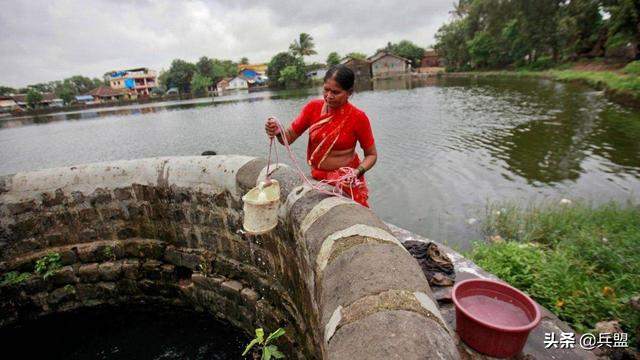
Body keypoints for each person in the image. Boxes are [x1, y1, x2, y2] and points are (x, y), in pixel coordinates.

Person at [264, 65, 377, 207]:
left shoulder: (358, 117)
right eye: (326, 90)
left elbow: (371, 155)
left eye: (335, 92)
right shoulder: (313, 108)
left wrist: (357, 171)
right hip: (317, 178)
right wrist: (278, 132)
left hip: (345, 181)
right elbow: (289, 138)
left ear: (349, 92)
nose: (329, 96)